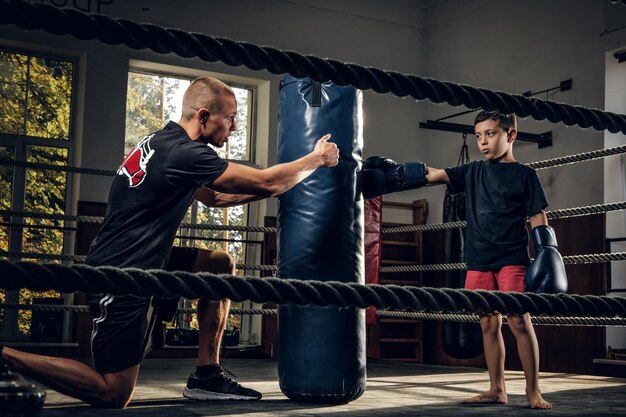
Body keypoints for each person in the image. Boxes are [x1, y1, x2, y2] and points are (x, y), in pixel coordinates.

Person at [1, 76, 339, 408]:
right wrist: (316, 159)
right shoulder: (185, 154)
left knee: (219, 264)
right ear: (204, 116)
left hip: (150, 262)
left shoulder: (161, 142)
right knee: (113, 392)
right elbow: (266, 183)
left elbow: (215, 198)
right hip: (120, 274)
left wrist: (275, 190)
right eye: (231, 118)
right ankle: (5, 356)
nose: (234, 127)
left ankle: (207, 373)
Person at [362, 110, 568, 410]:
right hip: (478, 259)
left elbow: (537, 214)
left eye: (491, 134)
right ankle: (497, 388)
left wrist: (547, 251)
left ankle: (533, 391)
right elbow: (435, 174)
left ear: (510, 135)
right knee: (487, 323)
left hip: (511, 257)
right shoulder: (472, 171)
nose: (483, 141)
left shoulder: (525, 175)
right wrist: (395, 173)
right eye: (479, 136)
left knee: (519, 322)